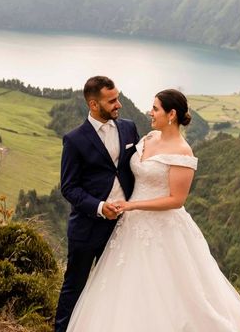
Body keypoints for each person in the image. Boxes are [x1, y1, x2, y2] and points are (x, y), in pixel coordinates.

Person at [66, 89, 240, 332]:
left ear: (171, 114)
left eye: (155, 109)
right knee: (125, 285)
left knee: (167, 288)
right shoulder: (149, 138)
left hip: (162, 227)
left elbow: (176, 199)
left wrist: (132, 205)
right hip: (129, 226)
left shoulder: (182, 152)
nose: (149, 112)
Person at [54, 76, 140, 332]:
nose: (119, 105)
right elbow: (69, 187)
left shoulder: (129, 128)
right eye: (112, 101)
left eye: (118, 98)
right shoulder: (74, 139)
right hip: (87, 228)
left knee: (115, 287)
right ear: (93, 104)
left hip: (123, 227)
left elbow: (138, 167)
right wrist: (101, 207)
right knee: (75, 287)